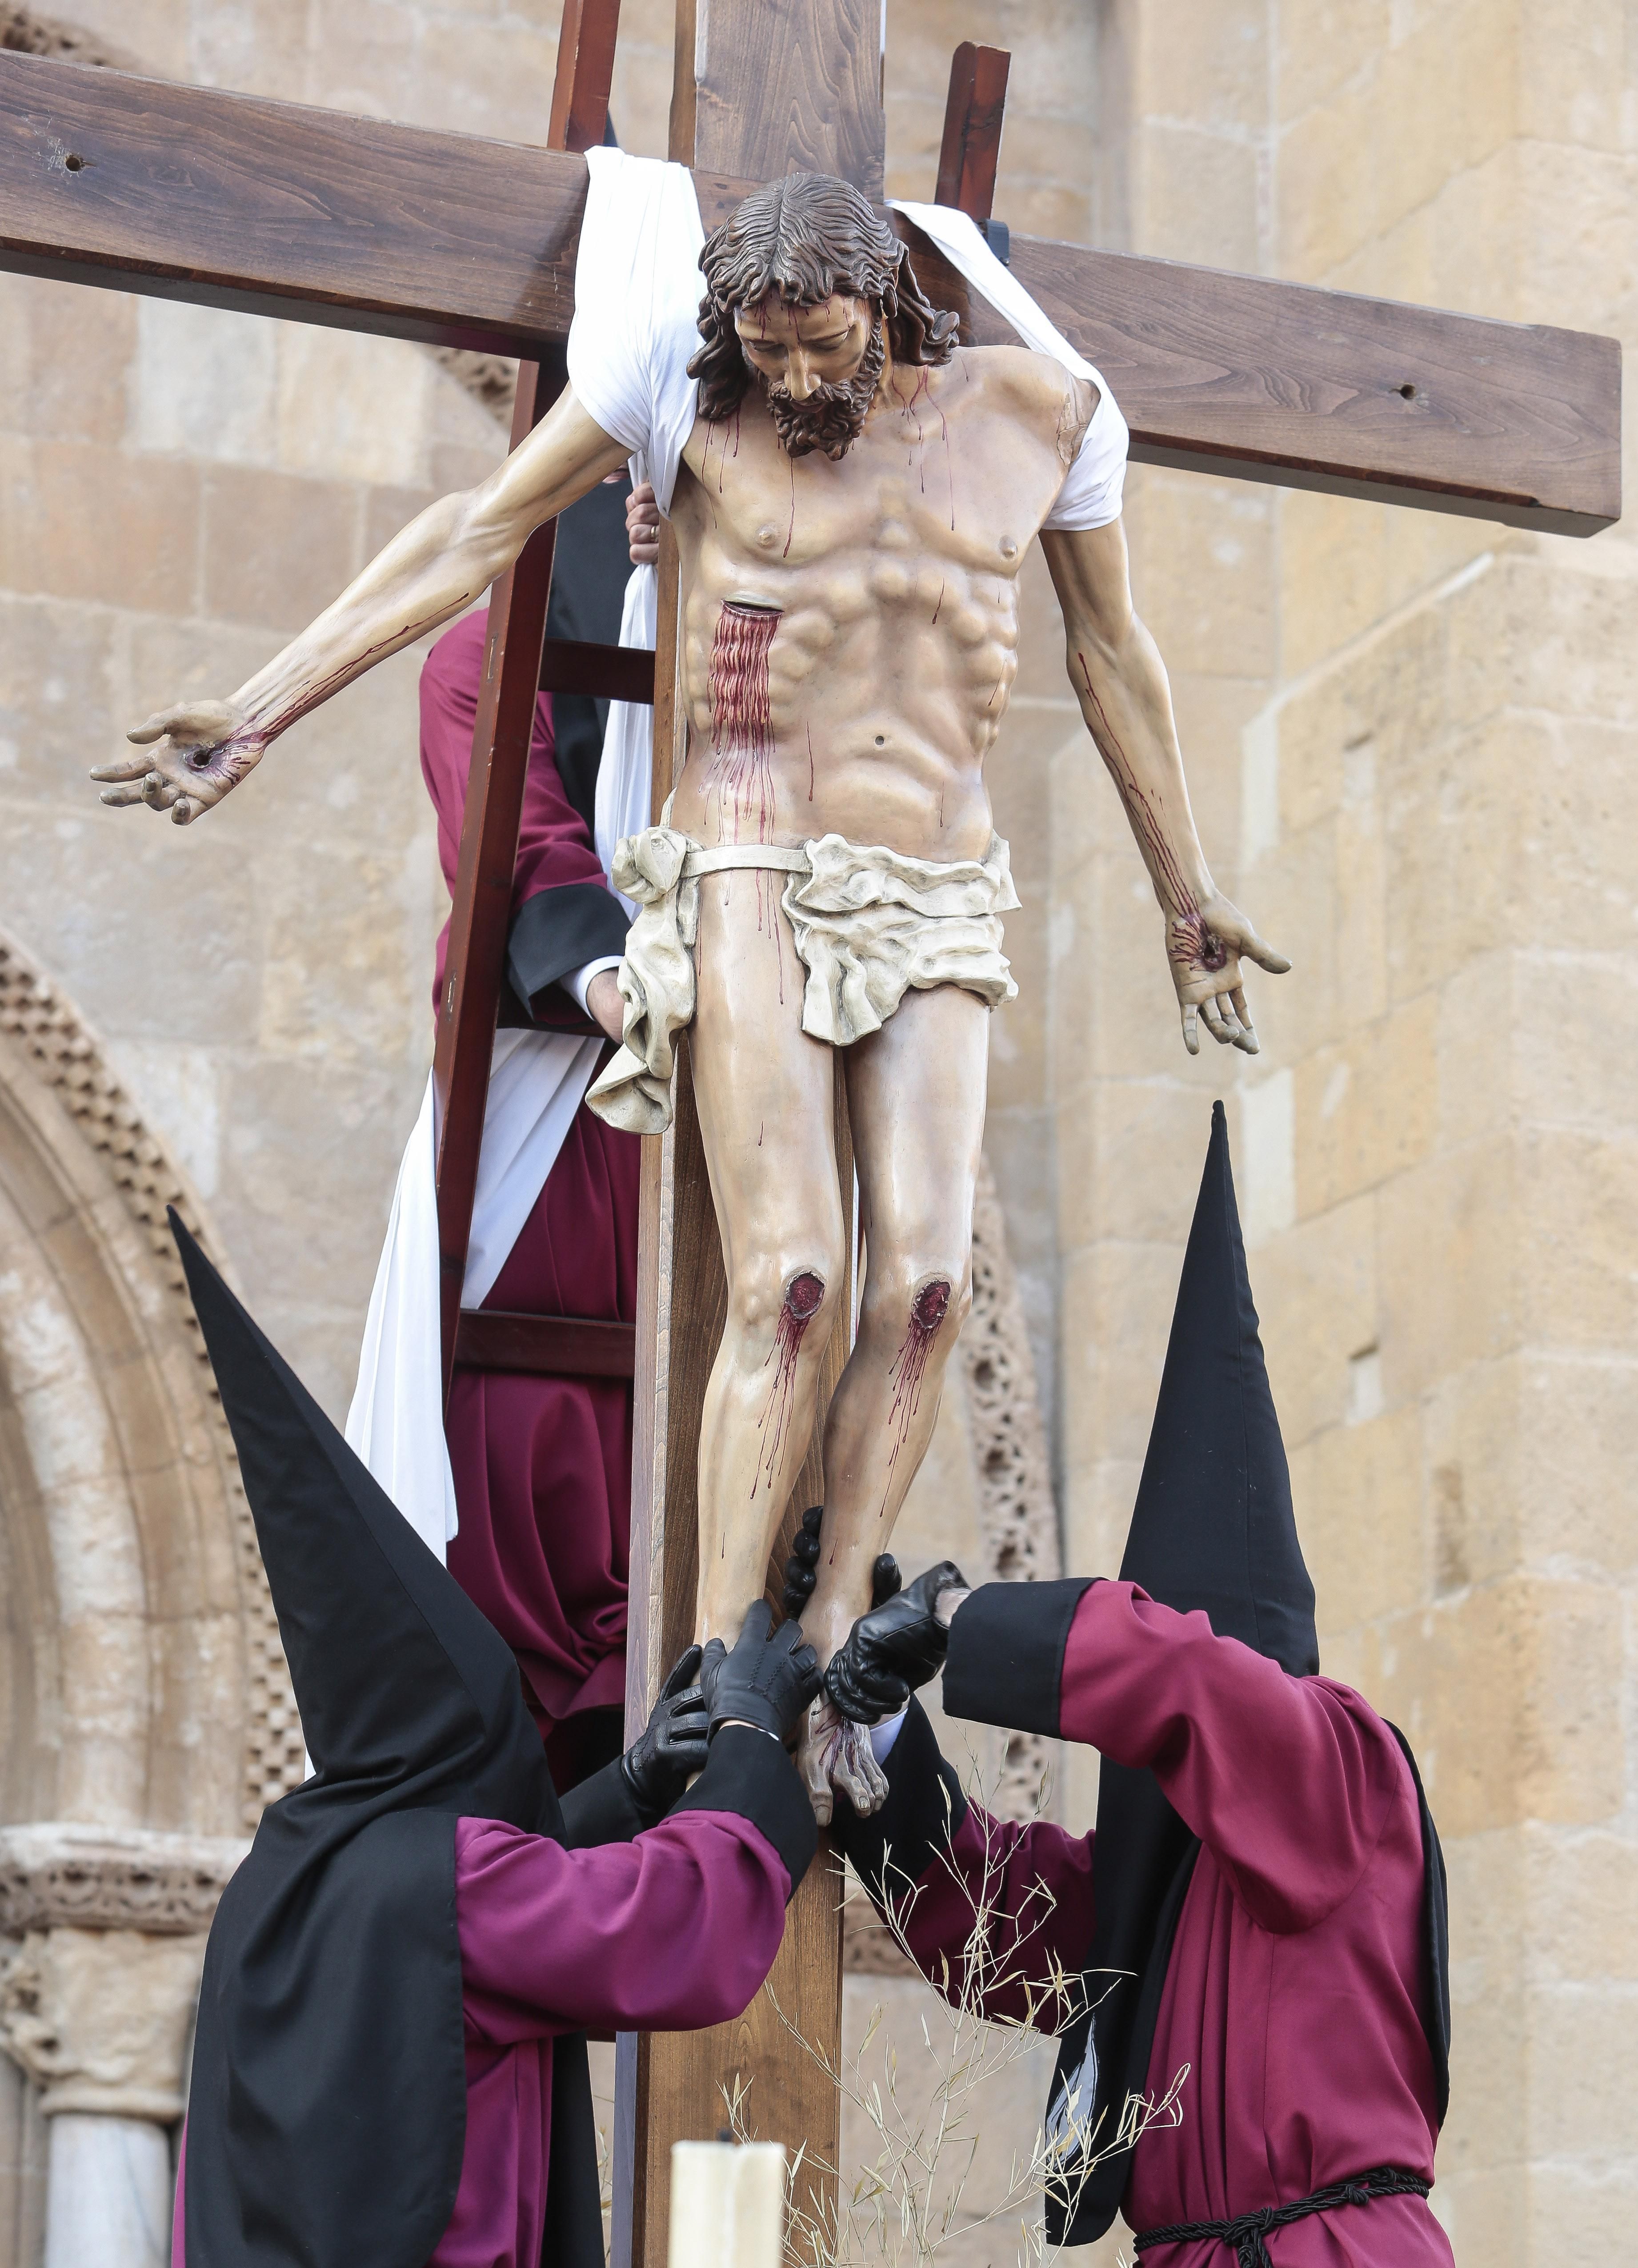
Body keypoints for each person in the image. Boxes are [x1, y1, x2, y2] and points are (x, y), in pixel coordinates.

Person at [89, 160, 1290, 1813]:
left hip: (940, 876)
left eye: (823, 347)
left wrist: (1185, 890)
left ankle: (839, 1625)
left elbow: (1113, 658)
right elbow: (477, 534)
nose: (793, 382)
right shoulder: (683, 380)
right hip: (753, 849)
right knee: (791, 1279)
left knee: (922, 1290)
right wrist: (258, 707)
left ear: (897, 310)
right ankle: (733, 1662)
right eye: (767, 348)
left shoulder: (1050, 413)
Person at [807, 1104, 1458, 2268]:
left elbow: (1192, 1688)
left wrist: (956, 1623)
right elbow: (990, 1925)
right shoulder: (1158, 1887)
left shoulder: (1342, 1769)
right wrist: (869, 1721)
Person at [159, 1211, 822, 2268]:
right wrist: (748, 1748)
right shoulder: (454, 1886)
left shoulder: (284, 1878)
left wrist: (630, 1783)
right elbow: (663, 1931)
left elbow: (458, 1946)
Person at [419, 477, 638, 1788]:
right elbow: (513, 824)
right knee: (523, 1482)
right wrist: (610, 976)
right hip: (557, 1109)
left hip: (711, 1131)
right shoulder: (503, 619)